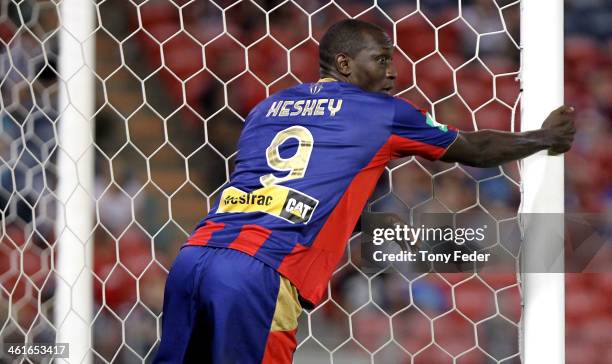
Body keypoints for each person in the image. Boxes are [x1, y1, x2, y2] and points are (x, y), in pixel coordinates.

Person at [153, 19, 575, 363]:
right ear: (345, 63)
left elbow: (276, 180)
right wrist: (543, 138)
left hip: (195, 258)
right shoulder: (379, 112)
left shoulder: (267, 107)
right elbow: (475, 148)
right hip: (258, 273)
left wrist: (349, 220)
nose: (392, 72)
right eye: (381, 59)